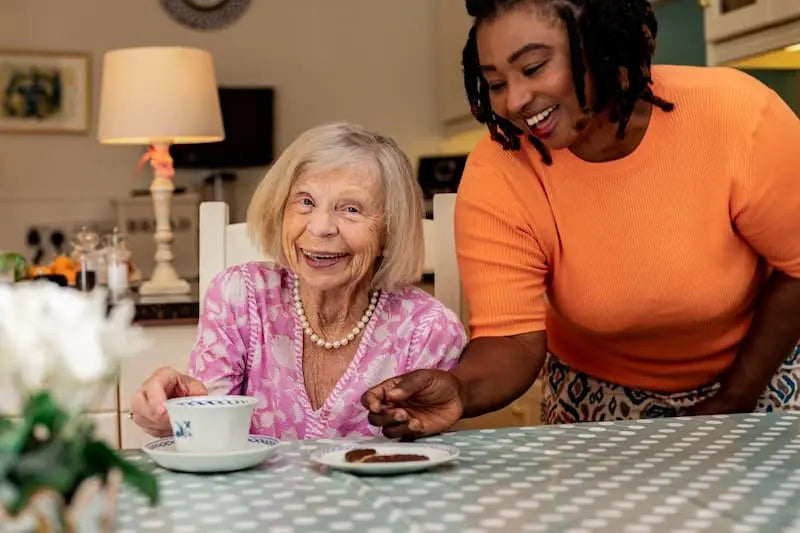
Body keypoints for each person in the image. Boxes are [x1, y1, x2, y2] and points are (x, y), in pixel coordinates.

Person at [363, 0, 800, 438]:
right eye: (494, 82)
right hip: (596, 394)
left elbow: (797, 269)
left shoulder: (737, 115)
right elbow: (511, 337)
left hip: (760, 373)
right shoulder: (501, 169)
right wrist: (460, 389)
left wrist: (737, 396)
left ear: (603, 46)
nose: (514, 101)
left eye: (533, 68)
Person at [131, 122, 466, 440]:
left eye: (350, 209)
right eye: (305, 202)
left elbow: (426, 464)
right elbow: (210, 434)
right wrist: (174, 415)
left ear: (390, 231)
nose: (320, 227)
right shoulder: (240, 296)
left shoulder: (427, 330)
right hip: (253, 501)